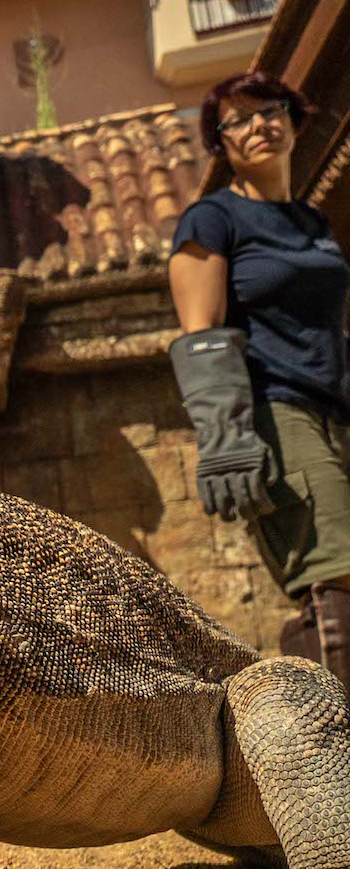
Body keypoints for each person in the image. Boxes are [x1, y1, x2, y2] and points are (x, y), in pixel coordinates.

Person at [168, 71, 350, 684]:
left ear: (295, 121)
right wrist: (224, 436)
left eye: (270, 110)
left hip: (337, 412)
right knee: (336, 576)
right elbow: (200, 332)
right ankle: (327, 757)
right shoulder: (211, 220)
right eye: (237, 120)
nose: (258, 126)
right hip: (278, 412)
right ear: (221, 144)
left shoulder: (312, 225)